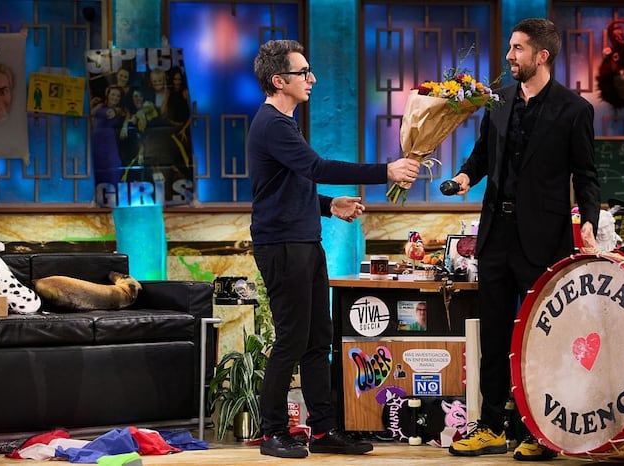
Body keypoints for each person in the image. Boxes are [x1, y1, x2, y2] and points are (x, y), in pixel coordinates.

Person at [248, 39, 420, 459]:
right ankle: (272, 432)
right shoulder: (272, 124)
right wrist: (386, 170)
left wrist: (328, 205)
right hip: (282, 245)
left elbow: (289, 185)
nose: (312, 78)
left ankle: (323, 430)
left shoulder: (285, 124)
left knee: (317, 340)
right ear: (279, 80)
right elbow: (316, 167)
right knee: (292, 339)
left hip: (305, 241)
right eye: (303, 72)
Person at [445, 18, 600, 461]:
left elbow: (586, 174)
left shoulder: (573, 110)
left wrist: (589, 221)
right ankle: (492, 427)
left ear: (541, 56)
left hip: (544, 239)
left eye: (518, 48)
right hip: (496, 235)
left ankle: (541, 432)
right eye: (511, 47)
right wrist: (464, 177)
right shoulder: (498, 102)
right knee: (494, 337)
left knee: (542, 339)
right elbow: (481, 157)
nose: (509, 56)